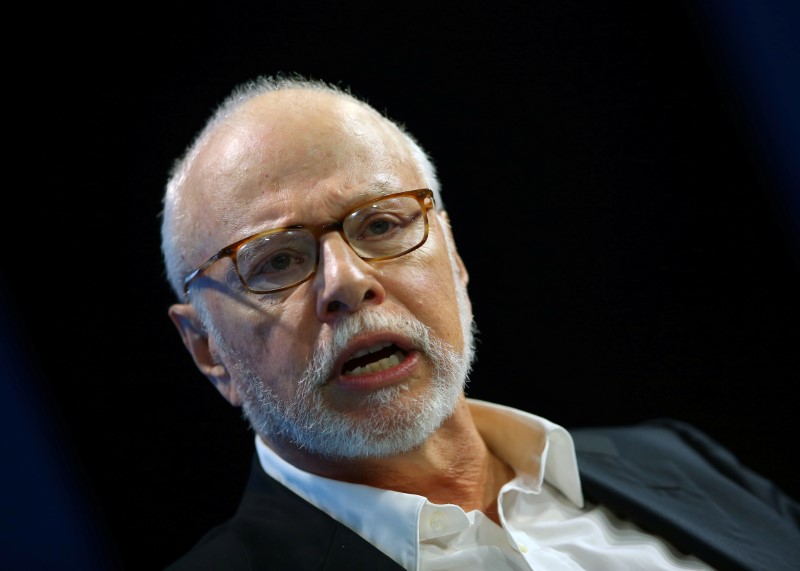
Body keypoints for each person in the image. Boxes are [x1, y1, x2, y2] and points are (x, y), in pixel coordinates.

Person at [159, 73, 799, 571]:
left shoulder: (678, 460)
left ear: (455, 256)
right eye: (277, 261)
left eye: (382, 225)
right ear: (207, 350)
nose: (348, 283)